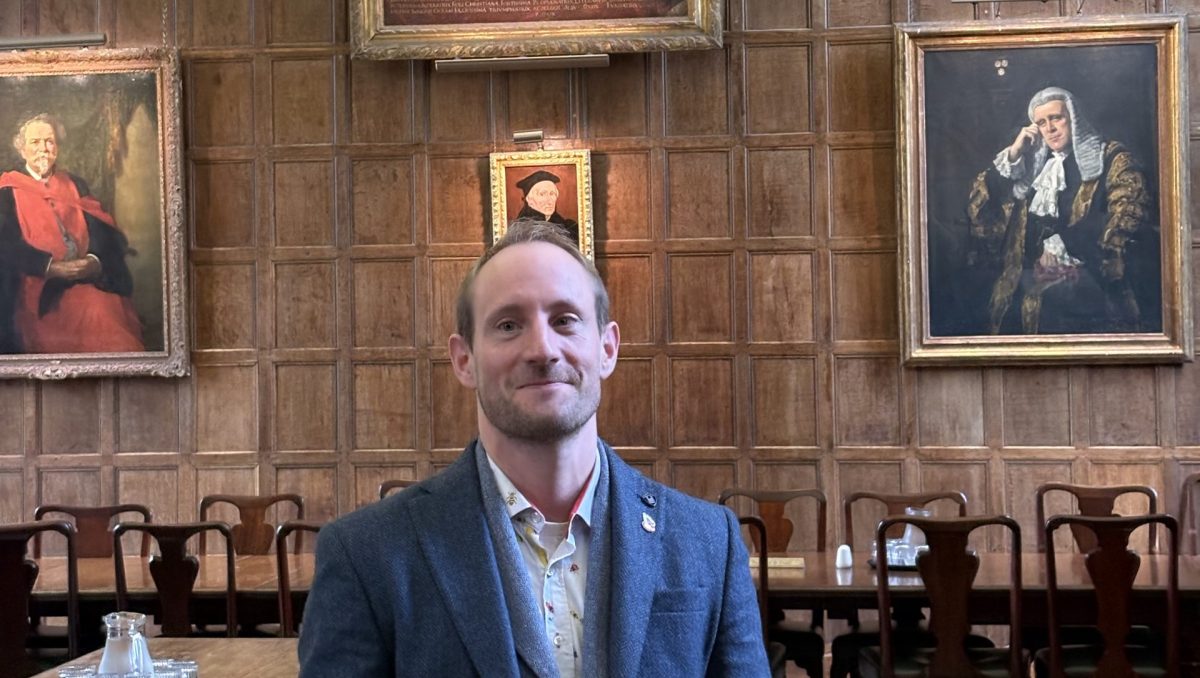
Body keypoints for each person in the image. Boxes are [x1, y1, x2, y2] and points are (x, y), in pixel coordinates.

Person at [299, 221, 768, 677]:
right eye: (508, 325)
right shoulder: (368, 554)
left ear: (607, 349)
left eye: (565, 320)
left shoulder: (709, 542)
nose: (542, 349)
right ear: (464, 360)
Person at [965, 86, 1160, 335]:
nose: (1050, 128)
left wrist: (1064, 244)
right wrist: (1014, 152)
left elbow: (1128, 212)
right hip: (1024, 282)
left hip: (1087, 284)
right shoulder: (1033, 166)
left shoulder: (1113, 159)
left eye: (1056, 118)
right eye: (1041, 122)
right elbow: (981, 208)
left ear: (1074, 117)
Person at [0, 113, 143, 353]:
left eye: (50, 141)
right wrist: (50, 267)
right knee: (96, 317)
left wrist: (93, 261)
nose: (43, 149)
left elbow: (103, 232)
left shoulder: (75, 184)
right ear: (22, 149)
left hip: (86, 281)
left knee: (107, 310)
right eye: (35, 142)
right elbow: (5, 245)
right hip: (36, 292)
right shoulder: (6, 191)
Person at [514, 170, 580, 244]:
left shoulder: (569, 228)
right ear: (529, 200)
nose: (549, 200)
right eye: (542, 194)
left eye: (552, 194)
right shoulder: (518, 230)